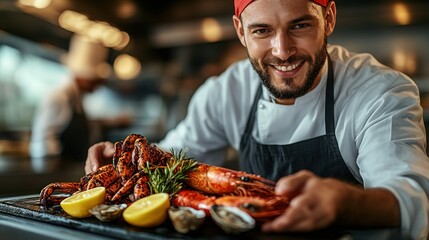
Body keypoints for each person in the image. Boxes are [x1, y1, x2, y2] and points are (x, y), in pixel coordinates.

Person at [85, 0, 429, 239]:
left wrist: (343, 202)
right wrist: (130, 162)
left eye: (300, 25)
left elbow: (412, 197)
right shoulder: (226, 92)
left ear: (329, 19)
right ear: (240, 31)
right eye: (262, 31)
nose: (282, 50)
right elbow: (173, 159)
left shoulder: (378, 91)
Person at [30, 34, 109, 161]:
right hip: (59, 169)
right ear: (84, 78)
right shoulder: (60, 97)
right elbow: (42, 141)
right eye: (96, 80)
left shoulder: (76, 98)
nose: (97, 85)